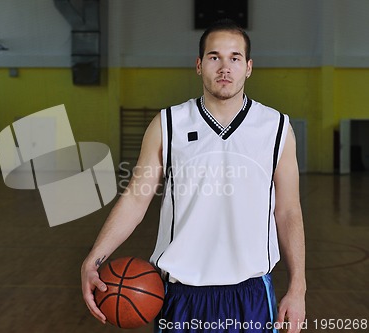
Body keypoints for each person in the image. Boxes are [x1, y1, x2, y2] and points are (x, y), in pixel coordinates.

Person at [81, 19, 306, 333]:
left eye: (235, 58)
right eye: (214, 57)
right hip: (180, 294)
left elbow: (288, 211)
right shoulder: (168, 124)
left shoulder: (277, 128)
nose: (225, 67)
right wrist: (95, 256)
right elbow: (136, 198)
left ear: (249, 67)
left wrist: (298, 288)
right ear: (199, 65)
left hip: (251, 294)